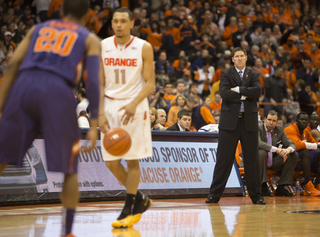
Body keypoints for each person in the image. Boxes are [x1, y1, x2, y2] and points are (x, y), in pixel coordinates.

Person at [0, 1, 102, 237]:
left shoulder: (39, 29)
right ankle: (66, 232)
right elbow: (94, 82)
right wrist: (94, 124)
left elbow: (13, 63)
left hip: (24, 85)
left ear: (61, 11)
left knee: (2, 156)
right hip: (57, 90)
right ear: (88, 15)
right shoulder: (89, 38)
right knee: (70, 170)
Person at [99, 7, 155, 228]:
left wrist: (133, 104)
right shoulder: (103, 46)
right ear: (111, 24)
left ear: (132, 23)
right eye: (115, 21)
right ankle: (140, 199)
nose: (119, 25)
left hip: (135, 104)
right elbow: (99, 82)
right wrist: (99, 112)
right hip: (110, 104)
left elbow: (150, 82)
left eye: (123, 21)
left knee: (132, 160)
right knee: (110, 161)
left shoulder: (144, 47)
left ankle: (128, 207)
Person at [206, 47, 265, 205]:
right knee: (223, 159)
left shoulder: (254, 74)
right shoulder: (225, 73)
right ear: (232, 59)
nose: (239, 58)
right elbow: (224, 93)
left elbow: (257, 91)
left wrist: (238, 90)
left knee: (252, 160)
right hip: (229, 123)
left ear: (246, 58)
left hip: (249, 123)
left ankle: (256, 196)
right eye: (236, 56)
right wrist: (246, 94)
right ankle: (214, 194)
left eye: (241, 56)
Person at [258, 110, 298, 197]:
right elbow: (259, 143)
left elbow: (292, 144)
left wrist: (287, 150)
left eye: (273, 121)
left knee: (293, 154)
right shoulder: (258, 127)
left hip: (272, 160)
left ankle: (281, 187)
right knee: (262, 152)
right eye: (269, 120)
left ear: (277, 122)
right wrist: (276, 149)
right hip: (257, 161)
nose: (271, 123)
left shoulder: (279, 129)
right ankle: (263, 186)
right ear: (265, 119)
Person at [284, 112, 320, 196]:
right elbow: (297, 145)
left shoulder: (306, 131)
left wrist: (317, 145)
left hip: (301, 160)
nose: (303, 121)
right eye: (301, 119)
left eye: (305, 120)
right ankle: (308, 186)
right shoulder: (290, 129)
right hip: (288, 159)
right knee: (305, 151)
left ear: (308, 122)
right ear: (296, 121)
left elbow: (315, 143)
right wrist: (316, 145)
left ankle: (319, 184)